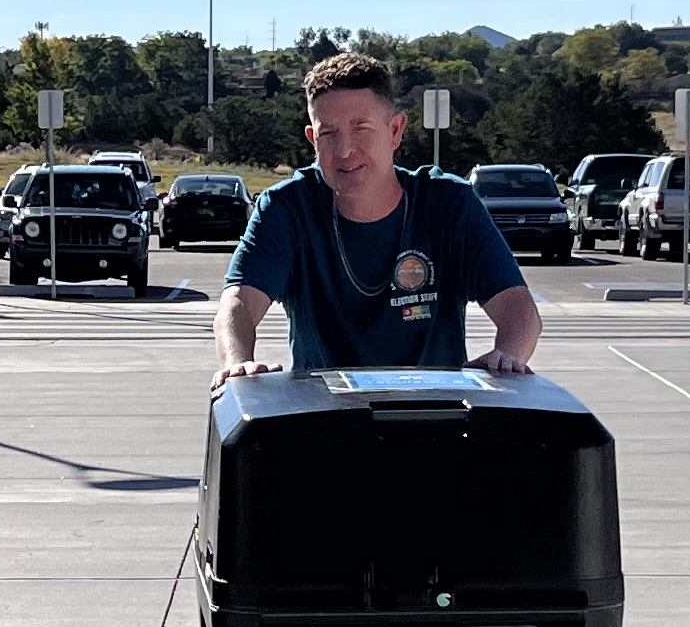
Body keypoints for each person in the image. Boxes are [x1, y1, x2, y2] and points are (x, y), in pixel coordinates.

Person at [213, 50, 540, 382]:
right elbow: (239, 302)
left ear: (395, 130)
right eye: (329, 134)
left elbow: (518, 306)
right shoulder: (286, 208)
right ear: (312, 138)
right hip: (324, 417)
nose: (344, 150)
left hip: (436, 416)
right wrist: (238, 360)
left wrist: (508, 354)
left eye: (361, 129)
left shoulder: (449, 204)